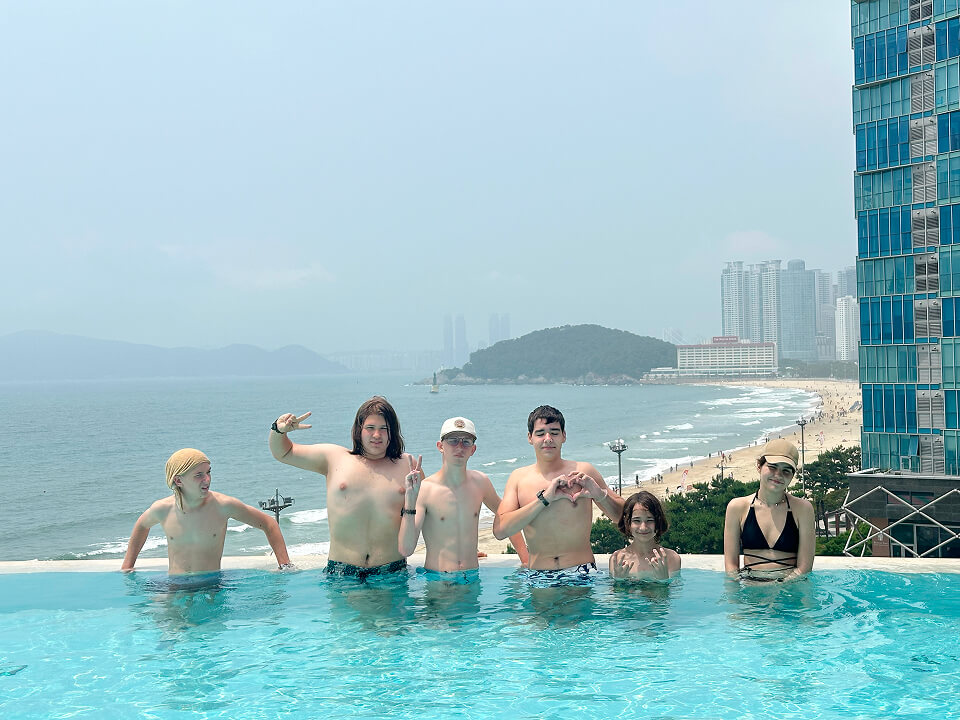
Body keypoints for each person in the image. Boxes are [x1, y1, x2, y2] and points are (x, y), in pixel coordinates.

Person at [269, 396, 421, 579]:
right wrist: (278, 430)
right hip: (342, 574)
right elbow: (283, 452)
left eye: (384, 429)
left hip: (392, 574)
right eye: (370, 428)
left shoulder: (408, 465)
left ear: (392, 432)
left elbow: (431, 507)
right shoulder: (334, 457)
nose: (376, 435)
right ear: (359, 430)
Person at [494, 405, 624, 577]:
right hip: (539, 574)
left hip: (581, 571)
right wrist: (544, 499)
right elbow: (500, 530)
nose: (548, 439)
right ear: (530, 437)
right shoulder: (518, 478)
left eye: (554, 433)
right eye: (540, 433)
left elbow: (624, 518)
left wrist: (600, 495)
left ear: (564, 436)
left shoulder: (583, 472)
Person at [121, 448, 292, 574]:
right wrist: (127, 567)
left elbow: (269, 524)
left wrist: (285, 565)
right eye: (199, 475)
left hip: (211, 585)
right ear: (178, 481)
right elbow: (142, 526)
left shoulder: (223, 505)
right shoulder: (162, 509)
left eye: (208, 472)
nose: (207, 479)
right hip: (176, 586)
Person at [399, 417, 529, 579]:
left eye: (466, 442)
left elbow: (507, 519)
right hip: (439, 581)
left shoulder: (481, 483)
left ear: (473, 449)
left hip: (472, 578)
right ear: (440, 446)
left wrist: (526, 560)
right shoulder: (426, 489)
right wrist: (410, 500)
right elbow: (406, 549)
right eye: (453, 441)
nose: (459, 447)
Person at [723, 438, 815, 583]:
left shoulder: (803, 509)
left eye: (786, 471)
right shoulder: (737, 507)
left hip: (790, 588)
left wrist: (779, 587)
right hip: (751, 588)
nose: (778, 475)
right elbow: (731, 567)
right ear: (759, 466)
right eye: (772, 467)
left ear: (792, 476)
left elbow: (804, 568)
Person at [609, 491, 680, 580]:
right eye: (637, 521)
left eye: (650, 520)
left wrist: (663, 581)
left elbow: (674, 588)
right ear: (627, 523)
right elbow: (613, 589)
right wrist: (619, 582)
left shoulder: (671, 558)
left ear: (659, 521)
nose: (643, 527)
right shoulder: (617, 559)